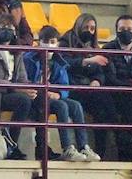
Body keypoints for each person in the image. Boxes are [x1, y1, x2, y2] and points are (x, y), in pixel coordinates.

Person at [0, 16, 62, 161]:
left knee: (41, 98)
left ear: (15, 32)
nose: (6, 31)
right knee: (22, 101)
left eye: (10, 28)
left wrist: (30, 90)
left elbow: (22, 79)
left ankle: (42, 148)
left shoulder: (16, 51)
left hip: (8, 91)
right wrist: (18, 89)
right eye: (2, 27)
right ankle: (11, 146)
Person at [24, 25, 98, 162]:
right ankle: (67, 148)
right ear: (39, 42)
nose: (48, 45)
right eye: (45, 41)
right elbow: (25, 81)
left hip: (53, 96)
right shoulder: (29, 58)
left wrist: (59, 94)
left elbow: (65, 87)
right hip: (37, 97)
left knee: (76, 105)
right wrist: (43, 91)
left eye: (52, 42)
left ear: (57, 43)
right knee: (62, 106)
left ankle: (84, 146)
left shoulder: (59, 61)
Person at [59, 13, 120, 158]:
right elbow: (65, 65)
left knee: (105, 109)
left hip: (89, 89)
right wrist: (88, 61)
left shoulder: (93, 46)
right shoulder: (65, 43)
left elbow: (99, 72)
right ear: (78, 26)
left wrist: (97, 81)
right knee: (103, 102)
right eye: (86, 27)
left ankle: (101, 151)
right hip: (71, 87)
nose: (89, 31)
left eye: (93, 28)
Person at [100, 14, 132, 162]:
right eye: (122, 29)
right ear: (116, 31)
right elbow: (110, 78)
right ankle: (126, 148)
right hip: (115, 94)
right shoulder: (108, 48)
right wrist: (128, 85)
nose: (126, 32)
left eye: (129, 29)